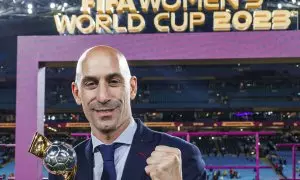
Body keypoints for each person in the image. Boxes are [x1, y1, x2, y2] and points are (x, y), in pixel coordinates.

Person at [49, 45, 206, 180]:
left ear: (132, 87)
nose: (103, 96)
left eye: (114, 82)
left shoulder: (182, 156)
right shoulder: (64, 166)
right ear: (77, 93)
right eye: (91, 84)